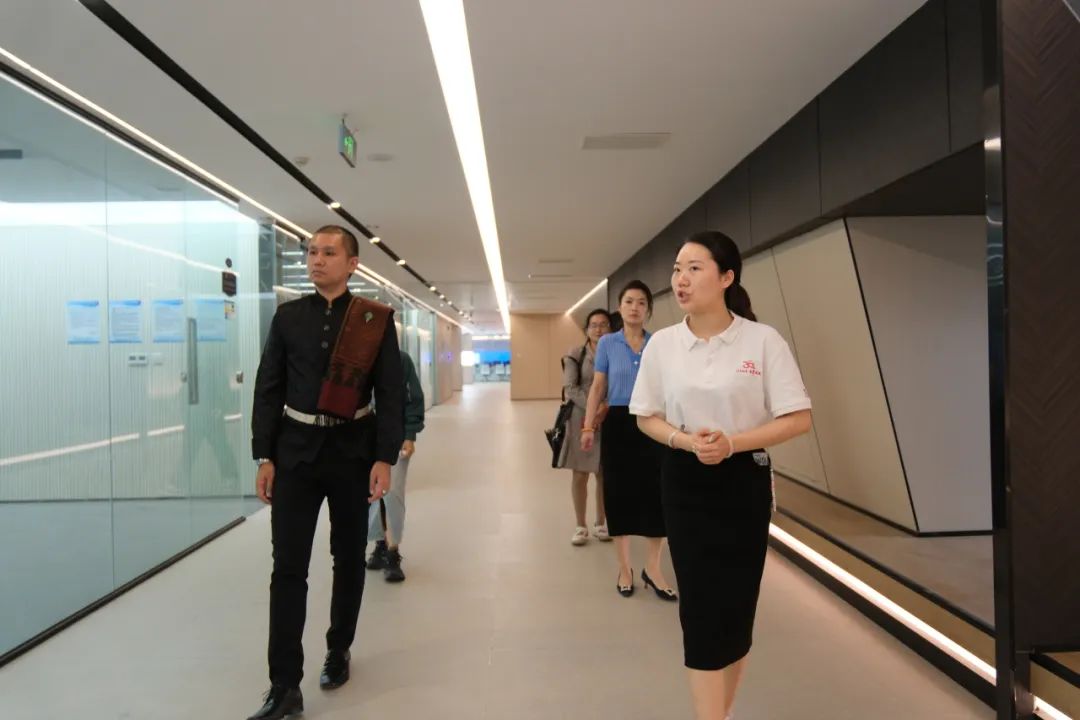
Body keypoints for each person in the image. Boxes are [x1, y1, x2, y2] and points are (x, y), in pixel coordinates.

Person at [630, 231, 812, 720]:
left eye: (694, 268)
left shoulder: (762, 340)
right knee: (700, 610)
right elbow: (645, 416)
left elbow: (798, 417)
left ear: (727, 277)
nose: (681, 279)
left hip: (744, 484)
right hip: (685, 482)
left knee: (736, 606)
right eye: (677, 269)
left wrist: (734, 442)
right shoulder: (664, 344)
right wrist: (687, 441)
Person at [247, 225, 404, 720]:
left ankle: (339, 649)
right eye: (312, 252)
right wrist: (264, 455)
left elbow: (391, 392)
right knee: (287, 567)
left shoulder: (374, 320)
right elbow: (268, 386)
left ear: (352, 264)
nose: (317, 260)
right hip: (294, 454)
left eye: (329, 253)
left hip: (353, 453)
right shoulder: (288, 317)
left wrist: (384, 458)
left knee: (348, 558)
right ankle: (284, 684)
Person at [581, 281, 675, 602]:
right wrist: (588, 426)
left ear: (648, 309)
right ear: (619, 308)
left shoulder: (658, 343)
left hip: (653, 422)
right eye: (629, 301)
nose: (635, 308)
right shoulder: (608, 343)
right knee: (618, 493)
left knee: (656, 493)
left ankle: (653, 568)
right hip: (619, 423)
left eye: (641, 302)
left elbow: (670, 386)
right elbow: (598, 387)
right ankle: (625, 569)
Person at [366, 348, 425, 582]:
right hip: (362, 439)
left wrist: (409, 434)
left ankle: (393, 552)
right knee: (371, 495)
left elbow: (413, 398)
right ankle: (380, 544)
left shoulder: (399, 360)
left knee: (392, 494)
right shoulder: (355, 357)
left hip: (395, 439)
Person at [557, 308, 612, 545]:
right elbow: (570, 388)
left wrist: (605, 408)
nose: (599, 329)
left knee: (603, 473)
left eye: (603, 324)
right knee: (580, 474)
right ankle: (581, 526)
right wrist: (592, 409)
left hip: (608, 417)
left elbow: (620, 383)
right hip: (580, 419)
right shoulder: (575, 354)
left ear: (611, 329)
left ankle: (601, 522)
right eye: (594, 325)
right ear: (587, 329)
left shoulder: (616, 353)